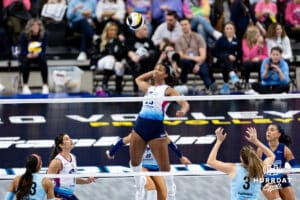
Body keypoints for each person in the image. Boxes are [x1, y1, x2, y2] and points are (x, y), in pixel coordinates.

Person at [129, 63, 190, 200]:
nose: (156, 71)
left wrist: (183, 111)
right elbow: (138, 80)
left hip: (156, 131)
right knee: (134, 162)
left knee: (164, 168)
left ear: (166, 75)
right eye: (155, 69)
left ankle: (171, 192)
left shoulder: (167, 89)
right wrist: (154, 71)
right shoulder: (149, 88)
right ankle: (139, 188)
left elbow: (184, 103)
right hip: (139, 128)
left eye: (160, 70)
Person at [106, 133, 191, 200]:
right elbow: (122, 141)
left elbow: (171, 144)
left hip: (155, 166)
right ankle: (140, 184)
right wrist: (111, 153)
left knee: (167, 188)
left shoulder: (161, 133)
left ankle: (171, 193)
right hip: (141, 165)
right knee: (150, 188)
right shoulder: (137, 134)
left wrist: (181, 157)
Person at [207, 127, 275, 200]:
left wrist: (219, 141)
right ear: (254, 156)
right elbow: (271, 156)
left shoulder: (233, 168)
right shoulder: (260, 169)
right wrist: (256, 141)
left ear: (241, 158)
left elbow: (210, 161)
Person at [175, 18, 217, 94]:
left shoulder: (198, 37)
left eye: (186, 24)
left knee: (203, 68)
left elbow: (203, 55)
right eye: (182, 25)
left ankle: (209, 87)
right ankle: (183, 84)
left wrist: (198, 64)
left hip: (199, 61)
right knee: (184, 61)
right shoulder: (178, 40)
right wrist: (194, 58)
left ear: (190, 25)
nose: (184, 26)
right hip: (187, 62)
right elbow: (181, 56)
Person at [47, 133, 95, 200]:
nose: (70, 140)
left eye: (69, 138)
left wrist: (86, 181)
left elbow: (73, 179)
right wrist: (52, 198)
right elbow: (46, 182)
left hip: (70, 195)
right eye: (67, 139)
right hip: (59, 196)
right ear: (61, 145)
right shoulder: (57, 161)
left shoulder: (73, 157)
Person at [257, 124, 297, 200]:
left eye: (272, 130)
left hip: (282, 180)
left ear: (279, 134)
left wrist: (287, 169)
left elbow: (295, 166)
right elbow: (257, 168)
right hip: (267, 181)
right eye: (267, 130)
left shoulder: (285, 149)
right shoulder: (261, 149)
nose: (268, 132)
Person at [19, 18, 49, 95]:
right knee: (25, 62)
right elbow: (22, 50)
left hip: (39, 55)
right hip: (27, 55)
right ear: (30, 27)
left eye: (37, 26)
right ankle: (25, 86)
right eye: (34, 26)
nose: (36, 27)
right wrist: (27, 54)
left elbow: (44, 50)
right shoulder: (24, 35)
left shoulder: (44, 35)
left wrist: (37, 54)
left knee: (43, 61)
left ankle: (45, 85)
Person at [212, 21, 241, 94]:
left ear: (234, 30)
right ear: (224, 30)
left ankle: (226, 84)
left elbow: (240, 53)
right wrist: (227, 56)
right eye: (227, 28)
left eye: (231, 28)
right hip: (220, 60)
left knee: (225, 65)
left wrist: (235, 58)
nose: (229, 30)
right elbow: (215, 52)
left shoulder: (237, 41)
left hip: (232, 62)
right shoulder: (220, 40)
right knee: (225, 57)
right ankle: (232, 74)